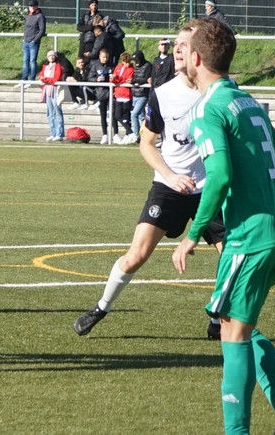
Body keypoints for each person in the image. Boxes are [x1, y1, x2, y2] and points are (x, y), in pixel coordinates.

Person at [170, 17, 275, 435]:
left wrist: (192, 235)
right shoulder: (247, 101)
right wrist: (273, 213)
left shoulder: (207, 109)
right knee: (238, 324)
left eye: (185, 48)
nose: (180, 54)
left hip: (249, 237)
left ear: (197, 59)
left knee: (231, 335)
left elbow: (218, 177)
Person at [73, 26, 225, 339]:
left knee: (231, 255)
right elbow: (146, 143)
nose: (178, 49)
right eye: (177, 44)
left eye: (185, 44)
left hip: (210, 187)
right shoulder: (164, 94)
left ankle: (217, 313)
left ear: (199, 52)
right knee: (137, 255)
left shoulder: (220, 91)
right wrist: (170, 176)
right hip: (169, 187)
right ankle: (101, 306)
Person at [88, 49, 113, 144]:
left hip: (111, 93)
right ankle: (105, 134)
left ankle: (115, 135)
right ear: (99, 56)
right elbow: (89, 78)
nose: (105, 59)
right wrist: (96, 79)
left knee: (113, 115)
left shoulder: (112, 65)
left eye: (106, 57)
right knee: (103, 116)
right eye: (103, 57)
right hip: (100, 94)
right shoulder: (95, 65)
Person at [38, 50, 65, 142]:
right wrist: (42, 79)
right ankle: (52, 133)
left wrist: (45, 80)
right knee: (50, 113)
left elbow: (56, 78)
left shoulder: (58, 66)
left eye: (53, 55)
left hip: (55, 89)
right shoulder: (45, 66)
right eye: (49, 56)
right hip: (47, 90)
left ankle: (59, 134)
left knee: (57, 111)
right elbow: (41, 76)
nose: (51, 57)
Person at [18, 0, 46, 86]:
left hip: (33, 42)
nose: (32, 8)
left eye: (33, 6)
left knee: (32, 61)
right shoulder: (28, 15)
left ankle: (32, 80)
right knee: (25, 61)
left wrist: (35, 40)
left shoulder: (40, 16)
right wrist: (24, 38)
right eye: (30, 6)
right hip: (26, 41)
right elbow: (26, 28)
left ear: (37, 6)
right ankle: (24, 79)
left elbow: (42, 30)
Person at [111, 51, 134, 144]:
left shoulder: (131, 69)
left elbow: (127, 79)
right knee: (117, 115)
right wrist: (113, 78)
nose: (127, 64)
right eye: (125, 62)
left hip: (126, 95)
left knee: (126, 116)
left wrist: (118, 78)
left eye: (128, 62)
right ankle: (130, 132)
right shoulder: (118, 67)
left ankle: (128, 134)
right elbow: (113, 79)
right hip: (118, 94)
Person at [129, 50, 153, 140]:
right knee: (141, 116)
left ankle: (136, 135)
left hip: (143, 94)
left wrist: (135, 81)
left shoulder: (148, 66)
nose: (135, 62)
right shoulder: (135, 67)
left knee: (134, 114)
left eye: (137, 59)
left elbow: (146, 79)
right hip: (135, 93)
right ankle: (144, 135)